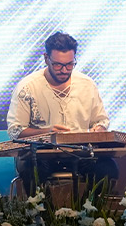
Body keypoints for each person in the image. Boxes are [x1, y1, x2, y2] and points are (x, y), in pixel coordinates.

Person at [7, 31, 115, 195]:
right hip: (40, 155)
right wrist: (48, 132)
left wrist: (98, 130)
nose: (64, 70)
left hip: (80, 153)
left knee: (108, 169)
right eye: (58, 65)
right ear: (46, 59)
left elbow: (101, 120)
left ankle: (86, 209)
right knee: (32, 171)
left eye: (69, 65)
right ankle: (44, 211)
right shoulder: (28, 87)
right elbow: (15, 131)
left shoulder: (87, 85)